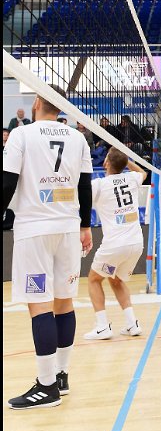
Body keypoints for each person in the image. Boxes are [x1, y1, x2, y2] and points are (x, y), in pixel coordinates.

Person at [3, 86, 93, 408]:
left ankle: (46, 386)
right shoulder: (78, 138)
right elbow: (84, 186)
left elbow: (7, 182)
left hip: (35, 231)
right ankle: (61, 375)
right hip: (67, 230)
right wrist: (85, 226)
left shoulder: (21, 134)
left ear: (38, 101)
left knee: (39, 305)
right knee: (64, 302)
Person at [84, 148, 146, 340]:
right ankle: (132, 324)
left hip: (115, 245)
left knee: (94, 279)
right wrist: (126, 160)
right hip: (136, 243)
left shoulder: (99, 185)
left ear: (105, 163)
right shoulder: (132, 178)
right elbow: (143, 172)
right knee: (116, 279)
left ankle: (102, 326)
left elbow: (81, 194)